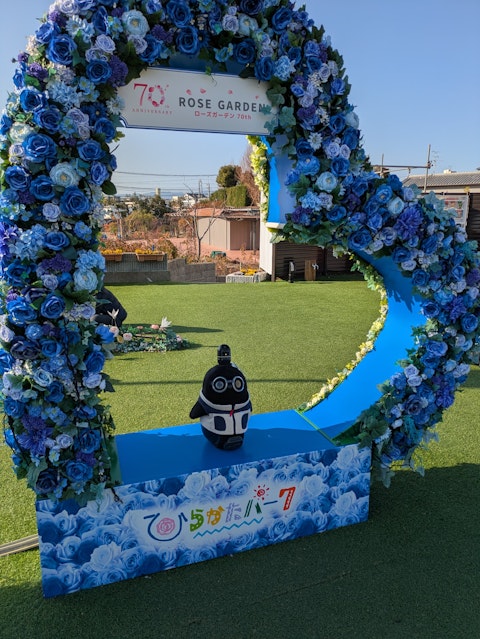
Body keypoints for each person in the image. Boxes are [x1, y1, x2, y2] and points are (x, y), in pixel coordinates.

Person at [190, 344, 252, 450]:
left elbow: (193, 414)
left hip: (215, 433)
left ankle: (221, 441)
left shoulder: (212, 375)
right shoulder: (237, 376)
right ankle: (237, 437)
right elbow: (250, 408)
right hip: (240, 431)